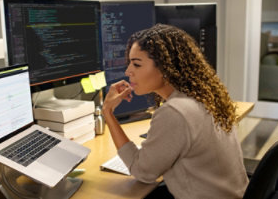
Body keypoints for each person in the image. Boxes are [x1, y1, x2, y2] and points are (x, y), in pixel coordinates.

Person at [102, 24, 249, 199]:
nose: (128, 72)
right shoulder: (204, 96)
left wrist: (108, 113)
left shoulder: (175, 112)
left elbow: (142, 172)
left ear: (165, 68)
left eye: (137, 64)